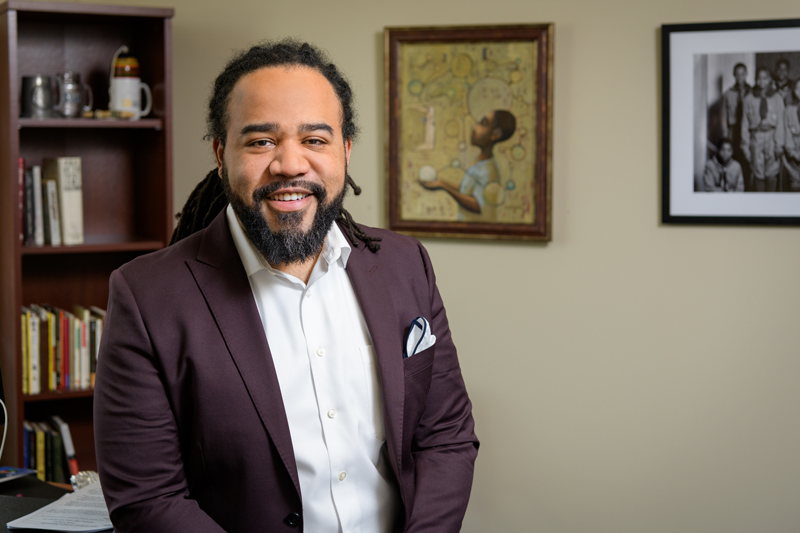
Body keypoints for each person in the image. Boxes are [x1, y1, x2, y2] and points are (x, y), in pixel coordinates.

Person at [94, 40, 478, 533]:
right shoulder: (146, 297)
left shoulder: (406, 265)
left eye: (315, 140)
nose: (290, 164)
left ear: (345, 150)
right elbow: (147, 500)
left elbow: (446, 438)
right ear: (220, 153)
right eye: (261, 142)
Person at [420, 110, 515, 222]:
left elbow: (477, 205)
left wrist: (443, 186)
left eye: (483, 124)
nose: (474, 128)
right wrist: (441, 183)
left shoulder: (489, 170)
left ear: (495, 135)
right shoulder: (480, 162)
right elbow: (466, 189)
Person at [742, 67, 785, 192]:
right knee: (757, 171)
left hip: (772, 136)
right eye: (759, 78)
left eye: (765, 78)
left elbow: (780, 123)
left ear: (770, 79)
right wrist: (745, 145)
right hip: (757, 136)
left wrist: (779, 144)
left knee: (772, 171)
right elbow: (744, 124)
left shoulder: (777, 98)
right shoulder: (749, 98)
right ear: (755, 79)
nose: (762, 81)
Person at [783, 78, 800, 192]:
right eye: (799, 89)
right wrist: (794, 154)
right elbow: (787, 133)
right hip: (795, 158)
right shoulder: (789, 110)